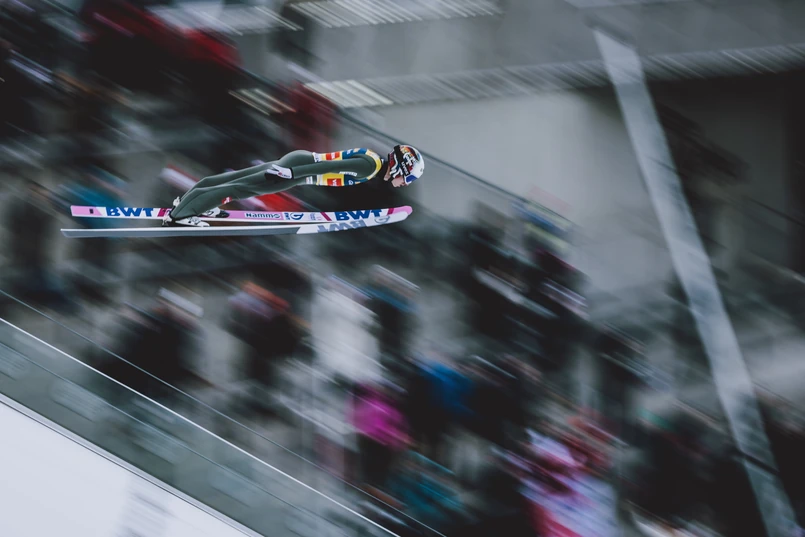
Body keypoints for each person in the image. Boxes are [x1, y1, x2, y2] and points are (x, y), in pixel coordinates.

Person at [163, 145, 425, 227]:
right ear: (400, 167)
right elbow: (325, 168)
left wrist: (292, 169)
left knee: (232, 180)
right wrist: (291, 173)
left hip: (298, 163)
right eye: (408, 177)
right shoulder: (370, 167)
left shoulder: (371, 161)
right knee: (241, 188)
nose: (404, 184)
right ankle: (183, 214)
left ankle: (187, 203)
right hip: (299, 169)